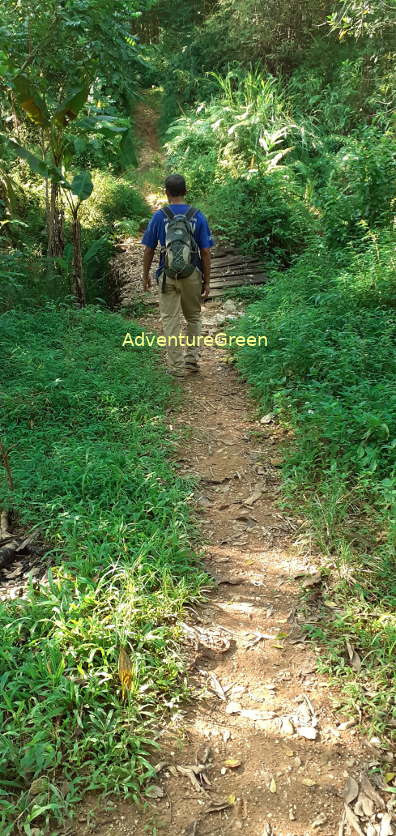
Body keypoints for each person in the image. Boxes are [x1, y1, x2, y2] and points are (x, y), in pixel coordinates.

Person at [141, 173, 214, 377]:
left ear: (166, 193)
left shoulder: (159, 216)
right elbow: (206, 252)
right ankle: (191, 360)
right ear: (186, 191)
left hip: (167, 275)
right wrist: (207, 281)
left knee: (170, 319)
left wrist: (145, 274)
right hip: (192, 274)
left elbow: (149, 250)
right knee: (193, 316)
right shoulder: (197, 215)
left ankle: (176, 367)